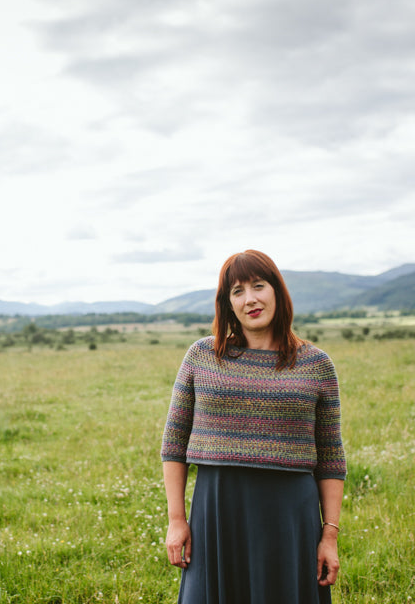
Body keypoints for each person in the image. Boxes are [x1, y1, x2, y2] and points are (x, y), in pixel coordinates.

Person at [161, 249, 346, 603]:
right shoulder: (202, 356)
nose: (251, 299)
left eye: (258, 286)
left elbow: (332, 457)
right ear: (227, 303)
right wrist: (176, 520)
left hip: (289, 518)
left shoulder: (317, 364)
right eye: (237, 291)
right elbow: (174, 443)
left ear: (277, 290)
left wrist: (329, 536)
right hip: (217, 513)